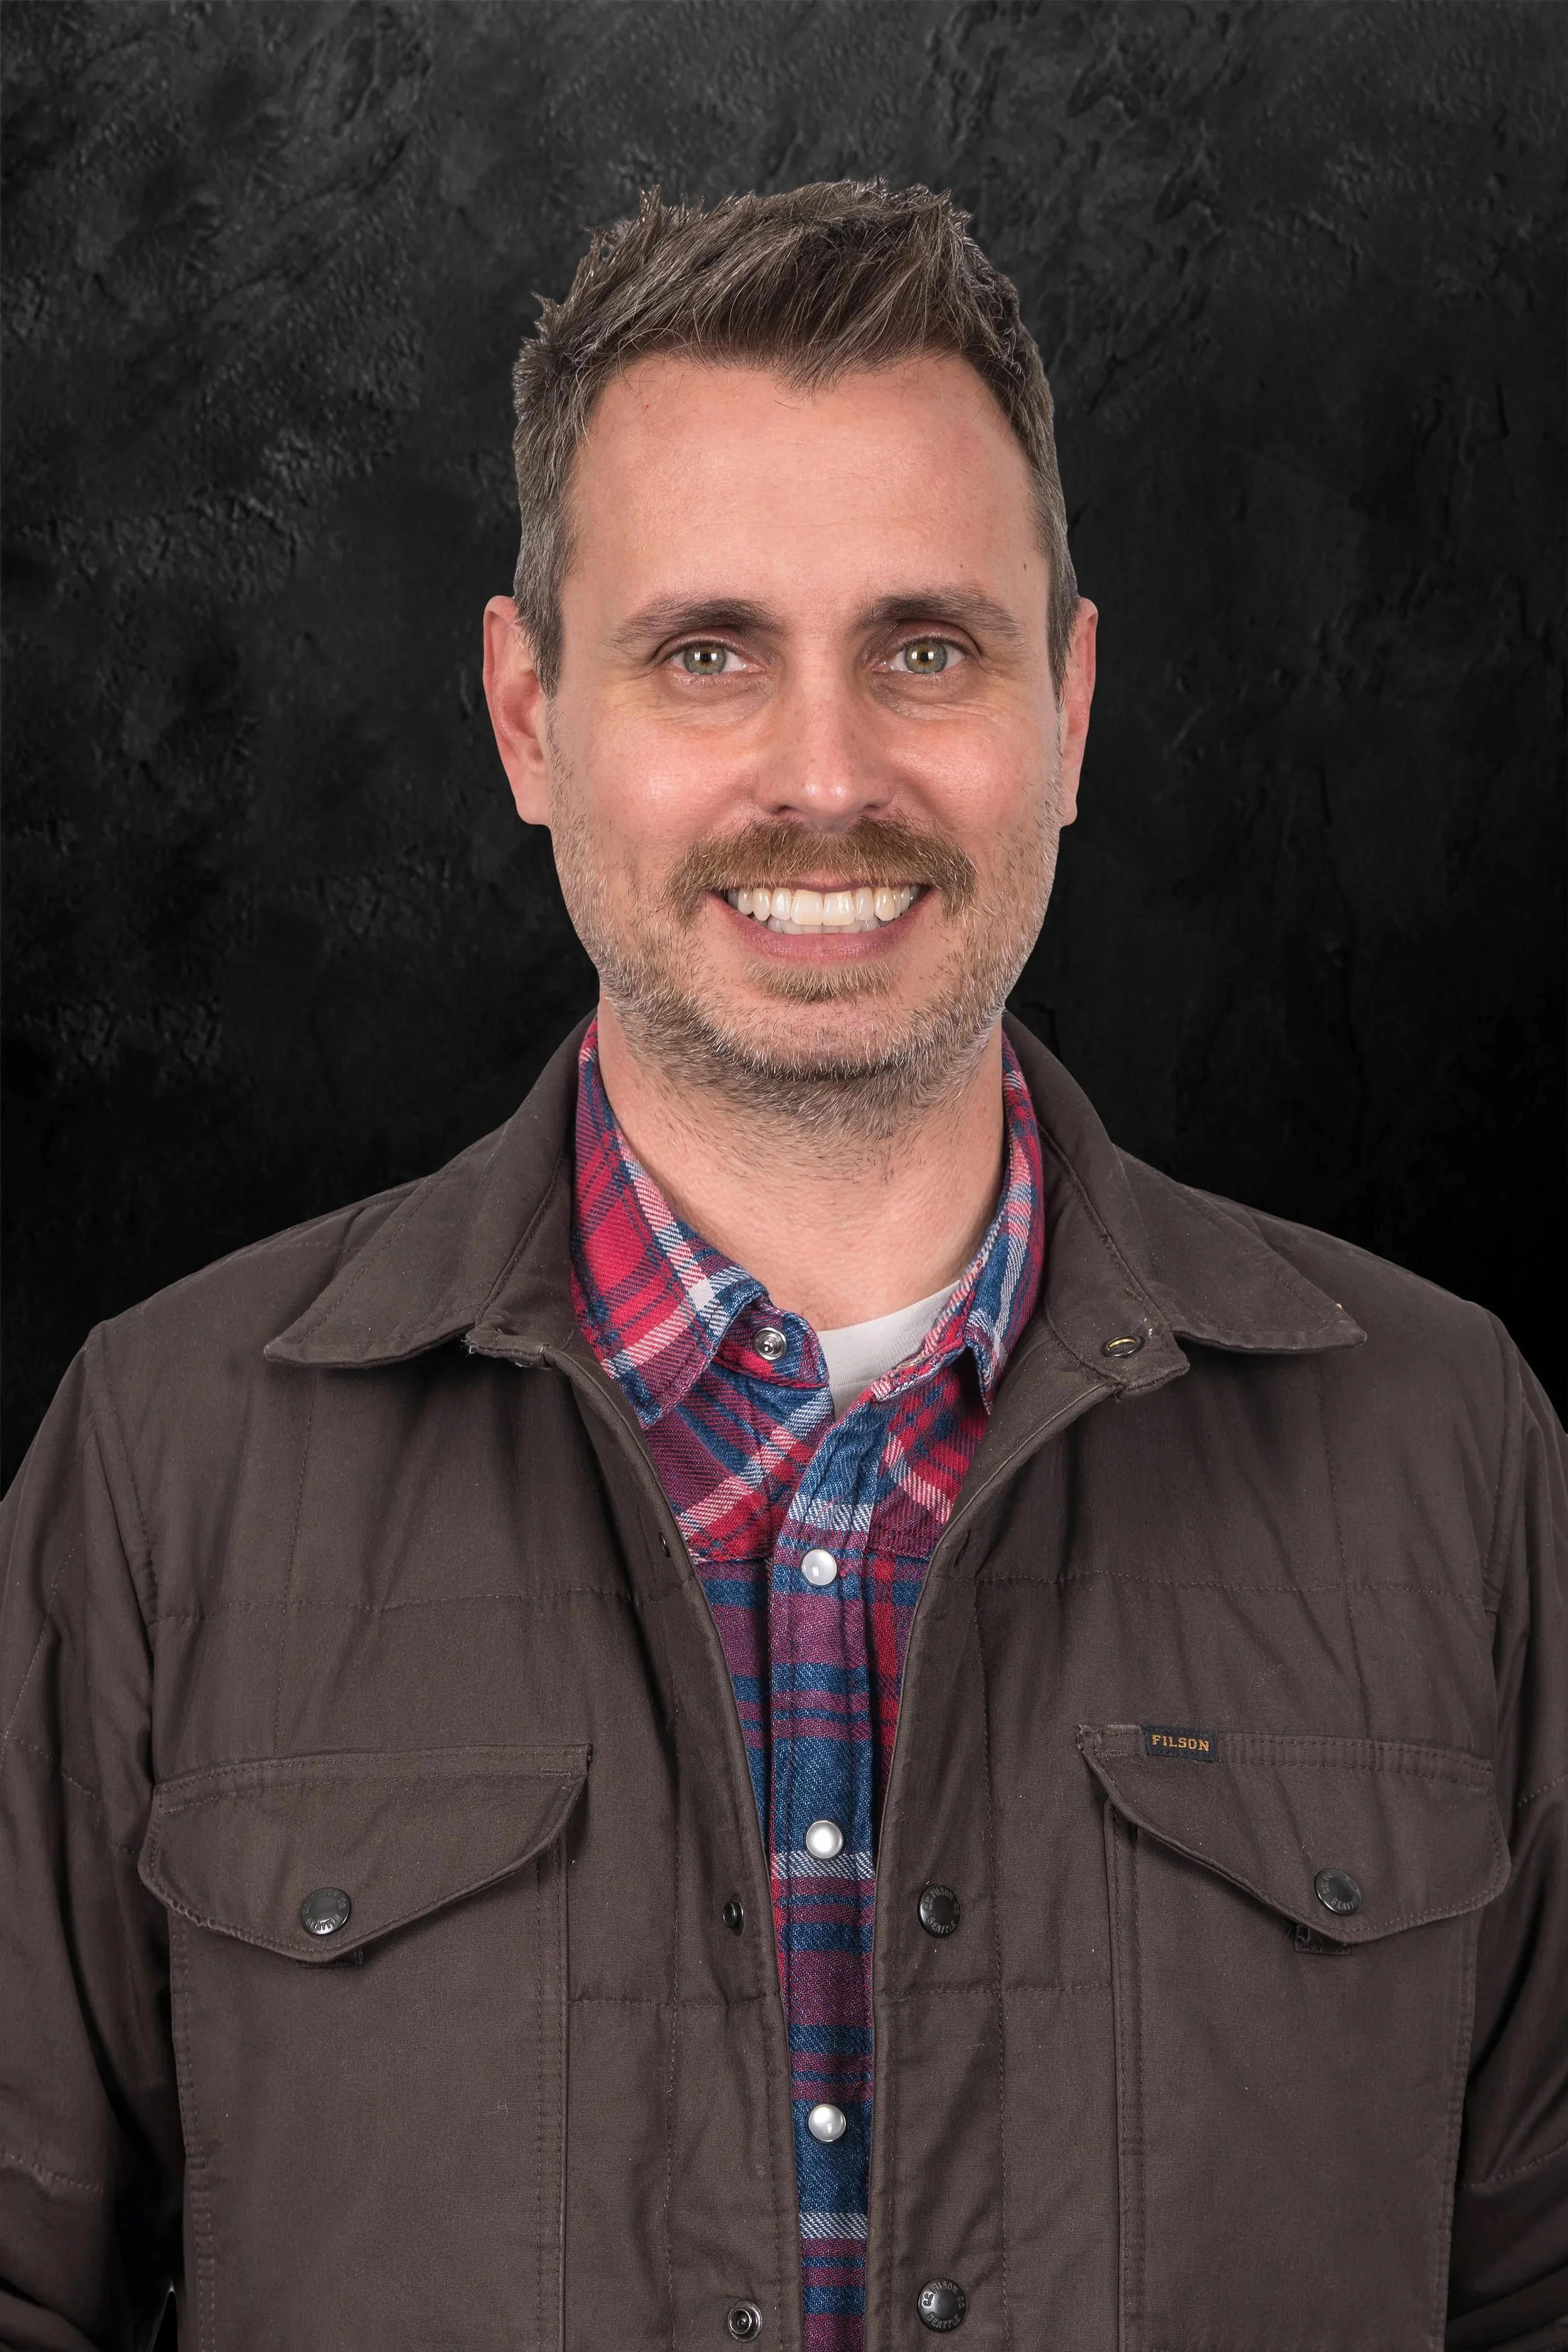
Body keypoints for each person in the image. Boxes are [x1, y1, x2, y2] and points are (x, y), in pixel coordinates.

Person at [1, 179, 1562, 2352]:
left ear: (1072, 706)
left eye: (924, 648)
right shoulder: (167, 1462)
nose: (824, 780)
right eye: (705, 652)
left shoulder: (1450, 1450)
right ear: (530, 717)